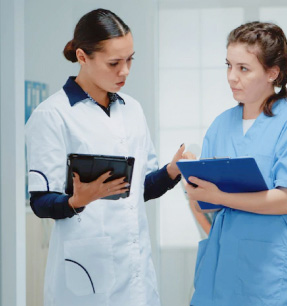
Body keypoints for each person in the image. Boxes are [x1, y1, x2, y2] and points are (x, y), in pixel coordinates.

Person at [25, 9, 193, 306]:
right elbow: (40, 202)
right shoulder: (53, 115)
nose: (125, 71)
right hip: (85, 275)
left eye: (130, 60)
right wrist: (77, 201)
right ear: (82, 57)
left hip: (136, 274)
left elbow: (139, 188)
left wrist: (171, 170)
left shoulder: (133, 109)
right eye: (114, 63)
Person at [184, 22, 287, 305]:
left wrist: (220, 195)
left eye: (243, 68)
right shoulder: (221, 126)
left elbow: (286, 201)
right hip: (225, 265)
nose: (232, 77)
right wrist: (194, 188)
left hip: (274, 269)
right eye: (229, 66)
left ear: (272, 72)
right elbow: (205, 205)